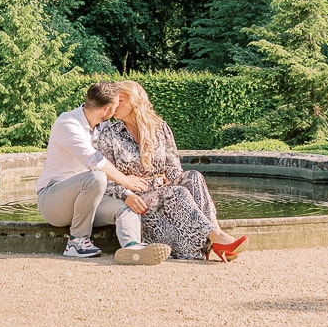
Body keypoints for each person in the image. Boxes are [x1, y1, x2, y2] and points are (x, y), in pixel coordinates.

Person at [95, 80, 248, 261]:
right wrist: (126, 194)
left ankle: (215, 235)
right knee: (176, 192)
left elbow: (173, 168)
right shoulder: (109, 134)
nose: (113, 105)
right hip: (137, 198)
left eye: (119, 100)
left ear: (134, 101)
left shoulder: (160, 128)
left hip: (164, 191)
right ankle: (217, 240)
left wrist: (190, 194)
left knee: (193, 177)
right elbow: (106, 175)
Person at [35, 82, 172, 265]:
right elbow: (95, 161)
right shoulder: (67, 124)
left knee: (126, 206)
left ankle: (132, 248)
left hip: (89, 200)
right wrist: (126, 182)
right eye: (116, 106)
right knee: (96, 177)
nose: (117, 112)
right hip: (53, 201)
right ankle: (77, 242)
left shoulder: (102, 127)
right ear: (106, 109)